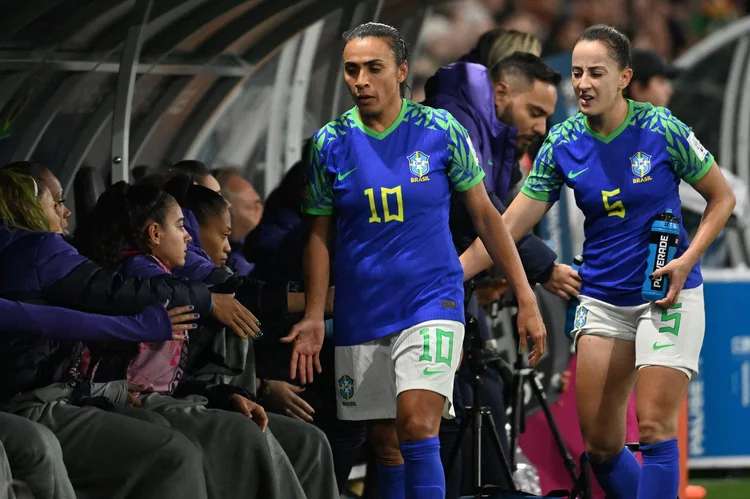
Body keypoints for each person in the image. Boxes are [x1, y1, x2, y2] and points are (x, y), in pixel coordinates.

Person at [459, 25, 736, 499]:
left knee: (653, 428)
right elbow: (505, 228)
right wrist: (449, 277)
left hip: (665, 295)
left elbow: (722, 198)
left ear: (625, 77)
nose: (583, 83)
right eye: (578, 73)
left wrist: (687, 260)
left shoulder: (662, 129)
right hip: (603, 301)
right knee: (602, 446)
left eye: (596, 73)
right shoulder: (563, 142)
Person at [283, 22, 546, 499]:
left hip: (432, 300)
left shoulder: (441, 130)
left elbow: (488, 217)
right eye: (351, 70)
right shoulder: (330, 144)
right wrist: (314, 315)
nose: (360, 80)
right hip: (363, 309)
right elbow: (318, 236)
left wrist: (526, 296)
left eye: (373, 68)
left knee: (418, 425)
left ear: (402, 71)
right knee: (385, 443)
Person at [0, 168, 211, 499]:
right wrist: (199, 302)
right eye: (56, 202)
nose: (65, 211)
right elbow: (49, 318)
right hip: (32, 403)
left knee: (162, 435)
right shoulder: (38, 249)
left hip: (57, 393)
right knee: (173, 451)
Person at [213, 167, 264, 276]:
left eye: (260, 204)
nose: (261, 210)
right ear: (227, 212)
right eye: (252, 207)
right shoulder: (236, 266)